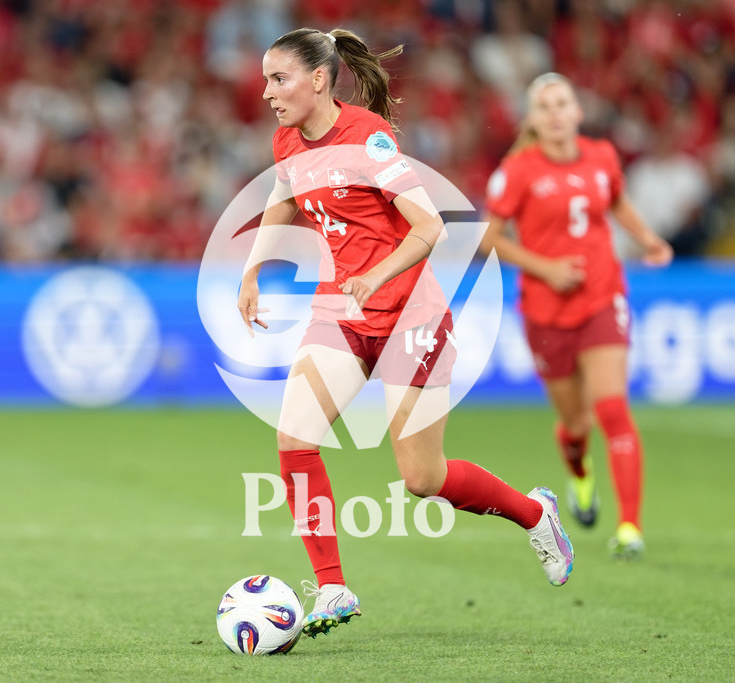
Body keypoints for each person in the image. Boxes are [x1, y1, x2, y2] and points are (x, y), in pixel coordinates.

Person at [238, 28, 575, 638]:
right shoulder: (287, 139)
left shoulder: (369, 137)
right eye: (265, 79)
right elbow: (285, 196)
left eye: (278, 78)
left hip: (410, 315)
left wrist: (376, 274)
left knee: (422, 480)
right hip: (342, 312)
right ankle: (334, 587)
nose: (267, 92)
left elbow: (428, 227)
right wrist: (253, 266)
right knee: (294, 438)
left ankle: (534, 513)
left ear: (319, 79)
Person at [479, 73, 673, 560]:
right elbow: (488, 238)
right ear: (533, 120)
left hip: (603, 297)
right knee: (575, 423)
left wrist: (647, 239)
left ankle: (630, 527)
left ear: (579, 112)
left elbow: (617, 203)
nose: (556, 112)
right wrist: (547, 268)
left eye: (563, 103)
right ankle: (580, 474)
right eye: (544, 106)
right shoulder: (517, 170)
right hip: (546, 312)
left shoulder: (602, 156)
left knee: (612, 408)